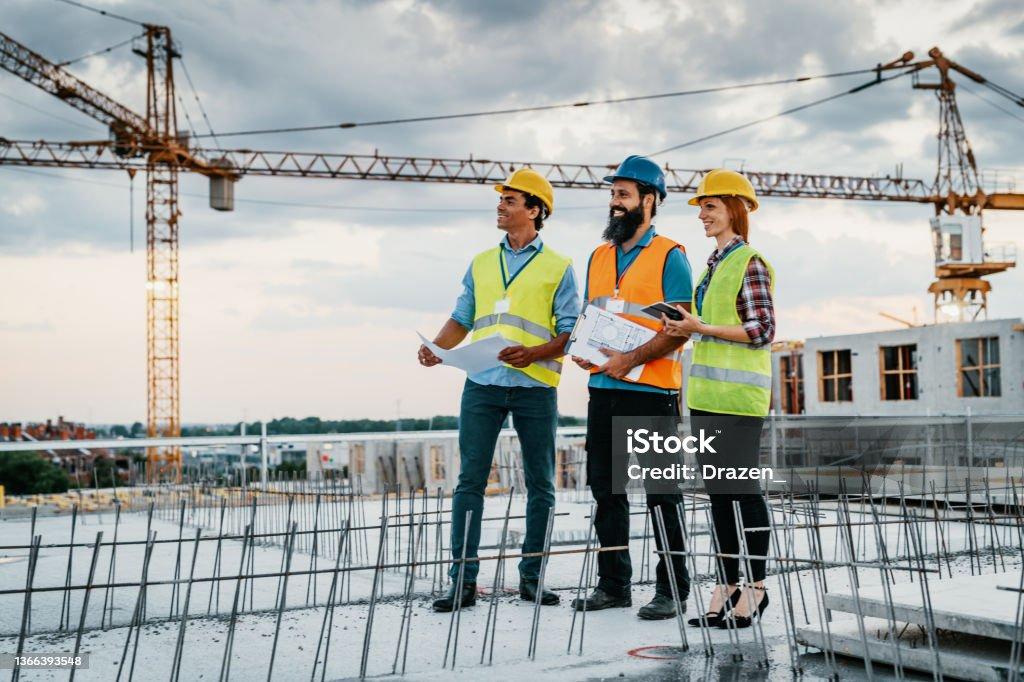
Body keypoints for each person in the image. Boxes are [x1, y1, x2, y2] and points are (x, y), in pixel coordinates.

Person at [418, 168, 580, 612]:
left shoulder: (559, 266)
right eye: (501, 199)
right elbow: (462, 318)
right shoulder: (481, 262)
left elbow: (570, 331)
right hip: (482, 385)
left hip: (534, 387)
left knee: (541, 484)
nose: (501, 205)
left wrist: (534, 353)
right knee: (469, 482)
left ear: (534, 210)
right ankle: (463, 582)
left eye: (510, 200)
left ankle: (531, 577)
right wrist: (436, 347)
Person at [570, 155, 693, 620]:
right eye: (612, 194)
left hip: (653, 391)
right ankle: (614, 585)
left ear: (651, 200)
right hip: (603, 388)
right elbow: (593, 316)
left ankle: (672, 588)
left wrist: (629, 360)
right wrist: (587, 352)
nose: (614, 203)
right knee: (607, 490)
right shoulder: (599, 255)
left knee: (662, 493)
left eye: (623, 194)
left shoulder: (671, 255)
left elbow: (678, 328)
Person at [661, 169, 775, 629]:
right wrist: (681, 324)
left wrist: (701, 327)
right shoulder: (711, 266)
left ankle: (756, 586)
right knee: (717, 495)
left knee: (742, 491)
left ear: (735, 209)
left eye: (709, 206)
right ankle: (728, 582)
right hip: (708, 396)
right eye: (701, 208)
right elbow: (708, 327)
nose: (702, 214)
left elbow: (762, 330)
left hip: (739, 398)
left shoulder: (750, 261)